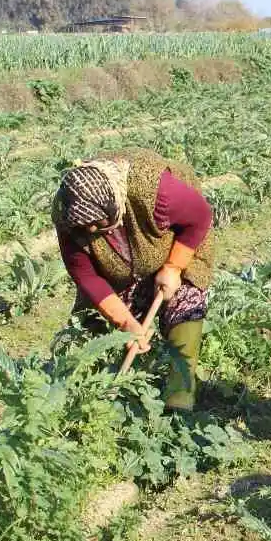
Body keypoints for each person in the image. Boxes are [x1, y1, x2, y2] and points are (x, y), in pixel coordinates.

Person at [52, 150, 216, 410]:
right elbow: (86, 276)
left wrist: (173, 267)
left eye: (99, 222)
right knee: (92, 321)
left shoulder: (153, 190)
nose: (93, 230)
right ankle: (87, 398)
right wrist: (126, 323)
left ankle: (179, 396)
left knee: (185, 301)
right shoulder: (68, 217)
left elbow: (200, 216)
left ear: (114, 204)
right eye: (86, 226)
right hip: (119, 266)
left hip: (176, 243)